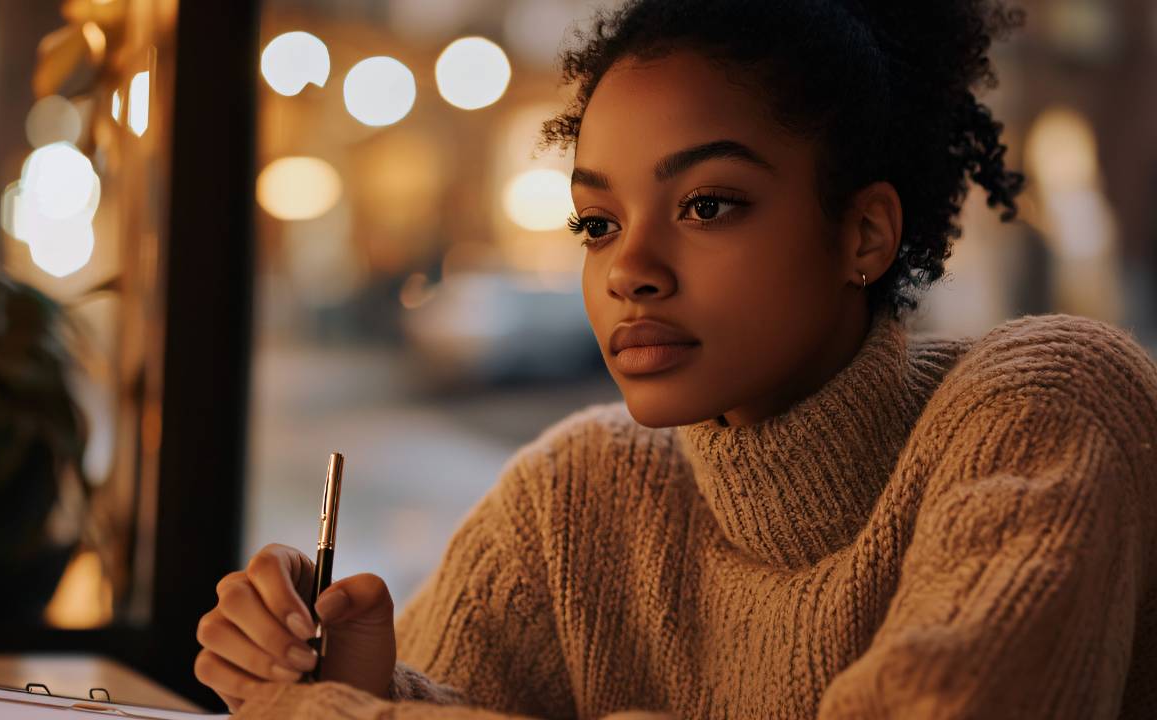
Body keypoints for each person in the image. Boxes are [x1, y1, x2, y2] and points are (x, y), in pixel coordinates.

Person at [194, 1, 1157, 717]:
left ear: (864, 234)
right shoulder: (573, 497)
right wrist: (356, 684)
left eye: (707, 205)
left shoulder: (1047, 401)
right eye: (597, 222)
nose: (630, 271)